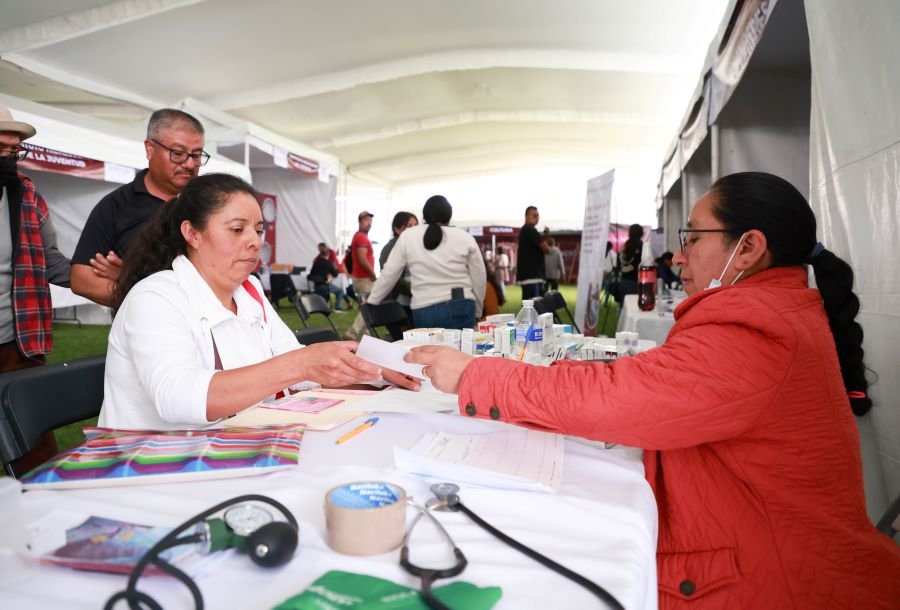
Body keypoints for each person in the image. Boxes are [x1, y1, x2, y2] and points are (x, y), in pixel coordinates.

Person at [407, 172, 900, 609]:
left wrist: (477, 376)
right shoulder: (772, 313)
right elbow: (659, 385)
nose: (679, 256)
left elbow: (619, 397)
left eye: (693, 237)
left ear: (748, 248)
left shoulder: (759, 331)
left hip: (771, 578)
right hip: (769, 550)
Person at [98, 174, 417, 430]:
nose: (254, 241)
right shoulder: (155, 297)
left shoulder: (247, 289)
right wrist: (301, 364)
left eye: (259, 229)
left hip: (233, 451)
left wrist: (372, 371)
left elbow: (301, 371)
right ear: (192, 234)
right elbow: (177, 398)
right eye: (237, 229)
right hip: (153, 470)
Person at [71, 109, 207, 306]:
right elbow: (82, 280)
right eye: (178, 153)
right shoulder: (115, 206)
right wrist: (138, 293)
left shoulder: (208, 204)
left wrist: (128, 276)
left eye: (196, 155)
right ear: (150, 148)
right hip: (142, 331)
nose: (189, 163)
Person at [0, 105, 72, 474]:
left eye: (14, 150)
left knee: (36, 454)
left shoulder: (27, 194)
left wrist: (114, 287)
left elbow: (52, 262)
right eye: (1, 148)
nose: (10, 158)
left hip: (19, 345)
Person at [368, 195, 485, 330]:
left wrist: (372, 301)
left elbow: (389, 273)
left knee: (430, 351)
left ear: (424, 216)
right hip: (460, 304)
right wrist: (478, 310)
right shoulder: (465, 237)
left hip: (423, 308)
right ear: (449, 216)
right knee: (458, 351)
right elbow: (479, 277)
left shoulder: (408, 236)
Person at [343, 211, 377, 340]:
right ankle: (352, 332)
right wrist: (372, 274)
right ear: (360, 221)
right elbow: (362, 259)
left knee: (366, 305)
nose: (369, 223)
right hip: (364, 278)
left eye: (370, 220)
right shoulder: (361, 237)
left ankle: (367, 335)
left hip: (359, 277)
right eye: (366, 220)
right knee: (368, 305)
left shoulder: (358, 236)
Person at [378, 211, 418, 315]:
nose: (414, 229)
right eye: (409, 226)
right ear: (397, 229)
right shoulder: (389, 249)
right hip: (398, 303)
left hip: (415, 300)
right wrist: (416, 289)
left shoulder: (416, 247)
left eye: (416, 225)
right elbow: (391, 278)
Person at [517, 205, 549, 299]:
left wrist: (544, 237)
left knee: (530, 309)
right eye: (534, 215)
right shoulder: (530, 229)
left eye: (538, 215)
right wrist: (545, 239)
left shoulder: (526, 230)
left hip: (529, 277)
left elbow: (538, 245)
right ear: (527, 216)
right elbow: (546, 249)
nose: (537, 218)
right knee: (535, 309)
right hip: (533, 277)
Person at [308, 242, 346, 310]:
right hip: (325, 286)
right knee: (340, 291)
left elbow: (311, 273)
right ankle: (338, 307)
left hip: (316, 286)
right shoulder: (329, 263)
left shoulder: (316, 262)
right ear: (328, 255)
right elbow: (335, 274)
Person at [616, 223, 644, 302]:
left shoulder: (624, 247)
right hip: (637, 282)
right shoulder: (642, 246)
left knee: (624, 308)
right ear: (641, 233)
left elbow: (618, 263)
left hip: (623, 281)